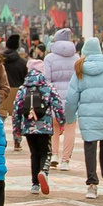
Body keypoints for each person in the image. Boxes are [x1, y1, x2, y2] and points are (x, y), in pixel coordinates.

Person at [69, 35, 103, 197]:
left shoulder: (79, 71)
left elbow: (71, 98)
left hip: (87, 117)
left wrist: (69, 117)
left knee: (89, 148)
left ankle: (92, 184)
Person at [11, 58, 62, 195]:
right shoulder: (48, 86)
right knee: (46, 152)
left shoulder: (23, 89)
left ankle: (35, 184)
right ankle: (44, 172)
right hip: (44, 126)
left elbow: (16, 110)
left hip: (28, 127)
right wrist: (61, 122)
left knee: (34, 153)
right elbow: (57, 105)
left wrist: (16, 129)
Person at [42, 30, 80, 170]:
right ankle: (65, 161)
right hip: (71, 96)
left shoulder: (49, 58)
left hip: (54, 97)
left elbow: (46, 79)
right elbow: (79, 78)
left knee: (54, 127)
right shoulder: (76, 57)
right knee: (70, 128)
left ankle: (54, 155)